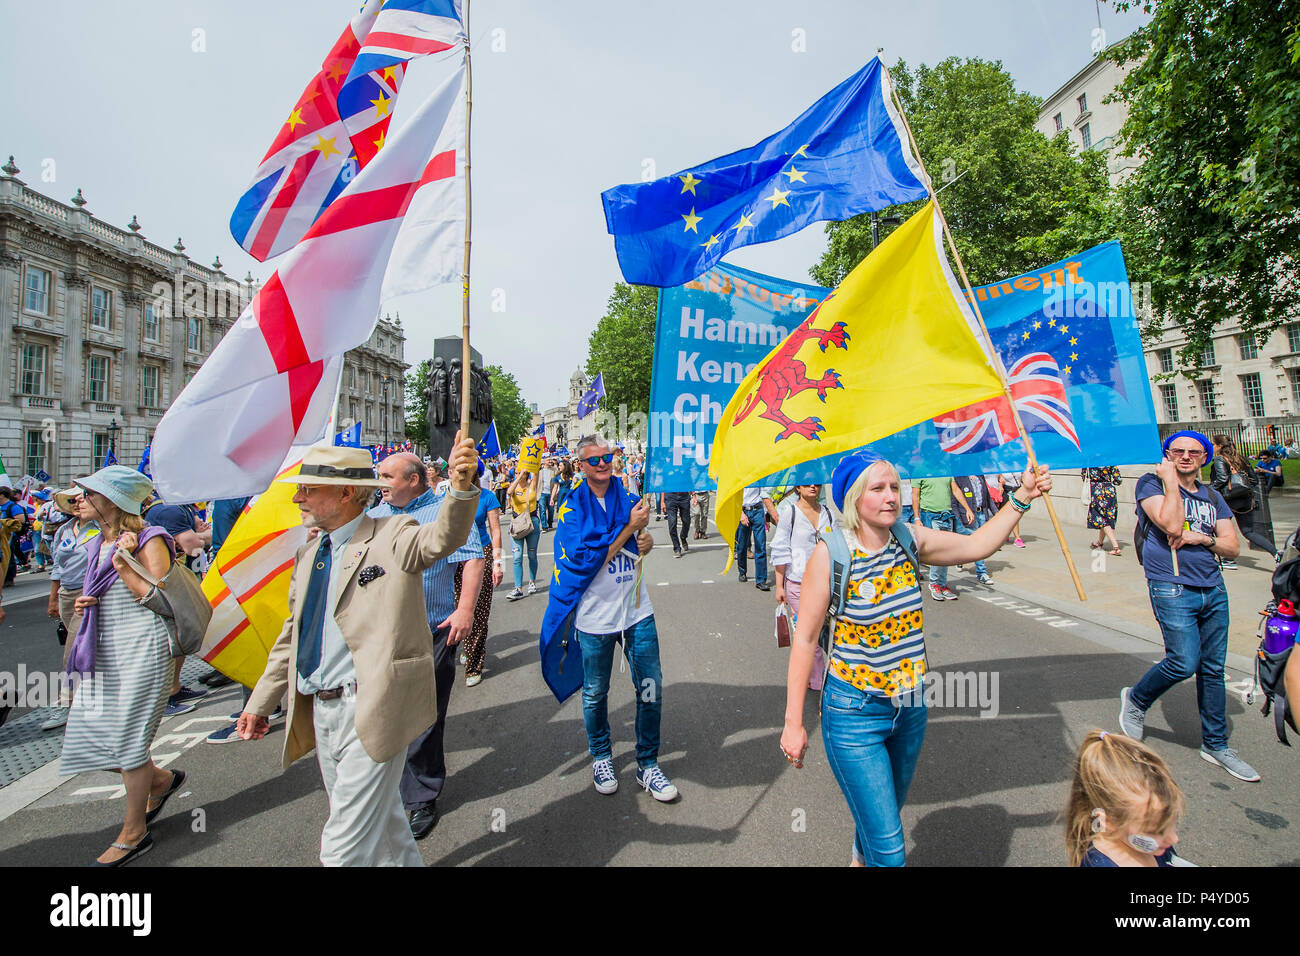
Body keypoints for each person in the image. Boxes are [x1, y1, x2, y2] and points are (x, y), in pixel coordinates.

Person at [780, 451, 1053, 866]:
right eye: (878, 488)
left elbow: (977, 544)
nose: (891, 496)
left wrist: (1022, 496)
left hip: (910, 708)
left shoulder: (911, 539)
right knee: (890, 851)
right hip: (854, 713)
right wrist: (793, 724)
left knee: (879, 818)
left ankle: (858, 860)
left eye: (894, 487)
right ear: (854, 497)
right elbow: (805, 642)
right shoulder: (832, 554)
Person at [237, 437, 480, 866]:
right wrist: (261, 702)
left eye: (309, 489)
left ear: (347, 492)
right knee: (386, 826)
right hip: (323, 711)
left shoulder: (393, 533)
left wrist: (461, 487)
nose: (298, 498)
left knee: (342, 849)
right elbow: (294, 634)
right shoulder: (310, 551)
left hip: (371, 706)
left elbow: (444, 537)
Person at [59, 466, 188, 866]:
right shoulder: (97, 540)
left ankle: (134, 833)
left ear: (111, 501)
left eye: (87, 493)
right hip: (105, 647)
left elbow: (160, 599)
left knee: (130, 741)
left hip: (142, 649)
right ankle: (162, 780)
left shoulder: (150, 539)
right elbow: (101, 592)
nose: (79, 499)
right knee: (92, 735)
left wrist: (123, 562)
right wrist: (87, 601)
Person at [1119, 430, 1260, 782]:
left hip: (1212, 588)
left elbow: (1233, 547)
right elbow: (1168, 522)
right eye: (1176, 451)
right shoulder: (1150, 485)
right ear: (1166, 455)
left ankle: (1216, 744)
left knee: (1212, 669)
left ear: (1204, 458)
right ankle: (1136, 699)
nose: (1184, 456)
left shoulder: (1212, 496)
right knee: (1183, 662)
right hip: (1171, 584)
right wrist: (1169, 483)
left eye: (1193, 452)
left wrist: (1203, 537)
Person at [550, 436, 674, 799]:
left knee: (650, 689)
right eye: (594, 460)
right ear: (582, 465)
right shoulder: (570, 508)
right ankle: (601, 755)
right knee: (595, 693)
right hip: (594, 619)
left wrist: (644, 539)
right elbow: (587, 562)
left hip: (637, 612)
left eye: (607, 457)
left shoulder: (627, 496)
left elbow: (640, 543)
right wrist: (629, 531)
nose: (603, 464)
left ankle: (648, 765)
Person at [369, 451, 484, 841]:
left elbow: (472, 558)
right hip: (382, 634)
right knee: (383, 712)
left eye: (386, 475)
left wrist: (465, 608)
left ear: (414, 479)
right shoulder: (374, 516)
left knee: (425, 716)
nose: (379, 480)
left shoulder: (445, 510)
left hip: (431, 629)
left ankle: (421, 797)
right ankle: (383, 788)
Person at [1066, 730, 1188, 867]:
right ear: (1109, 822)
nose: (1174, 838)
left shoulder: (1154, 845)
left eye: (1173, 821)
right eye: (1156, 831)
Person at [41, 485, 99, 731]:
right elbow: (57, 567)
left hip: (88, 594)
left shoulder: (99, 529)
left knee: (73, 647)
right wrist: (53, 598)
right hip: (67, 593)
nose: (77, 504)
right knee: (85, 647)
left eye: (81, 499)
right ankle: (95, 694)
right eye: (72, 501)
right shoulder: (64, 530)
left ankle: (67, 700)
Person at [771, 484, 835, 690]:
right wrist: (779, 586)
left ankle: (818, 673)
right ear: (798, 487)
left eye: (816, 483)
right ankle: (817, 681)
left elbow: (836, 547)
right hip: (798, 584)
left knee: (825, 631)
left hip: (824, 583)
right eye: (807, 483)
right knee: (809, 633)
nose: (812, 487)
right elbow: (781, 549)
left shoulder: (828, 513)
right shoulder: (789, 513)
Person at [460, 477, 502, 687]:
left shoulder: (487, 497)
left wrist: (497, 562)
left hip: (481, 552)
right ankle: (467, 646)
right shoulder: (446, 496)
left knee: (479, 610)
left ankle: (474, 664)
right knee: (457, 606)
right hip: (454, 556)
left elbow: (495, 530)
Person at [1210, 435, 1275, 565]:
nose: (1212, 446)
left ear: (1220, 446)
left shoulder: (1220, 459)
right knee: (1248, 531)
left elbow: (1222, 479)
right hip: (1244, 499)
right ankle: (1276, 553)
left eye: (1213, 444)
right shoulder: (1241, 458)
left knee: (1219, 529)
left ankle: (1227, 558)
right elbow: (1254, 480)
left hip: (1227, 499)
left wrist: (1209, 490)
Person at [915, 475, 959, 600]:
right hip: (929, 515)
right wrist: (917, 517)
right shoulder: (920, 470)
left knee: (946, 552)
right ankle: (934, 583)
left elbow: (955, 490)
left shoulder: (946, 469)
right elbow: (915, 496)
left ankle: (942, 584)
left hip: (946, 515)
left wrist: (967, 509)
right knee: (936, 551)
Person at [951, 475, 997, 586]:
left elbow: (987, 498)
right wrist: (959, 518)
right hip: (968, 516)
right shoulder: (959, 478)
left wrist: (996, 513)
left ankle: (962, 561)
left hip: (981, 514)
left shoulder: (980, 476)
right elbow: (954, 501)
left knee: (980, 543)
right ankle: (982, 573)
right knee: (976, 544)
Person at [506, 469, 541, 601]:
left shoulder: (532, 484)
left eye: (520, 472)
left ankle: (532, 582)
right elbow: (509, 492)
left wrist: (531, 469)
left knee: (532, 554)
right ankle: (518, 588)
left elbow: (536, 471)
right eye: (515, 472)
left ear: (527, 474)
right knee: (517, 556)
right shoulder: (513, 486)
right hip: (517, 524)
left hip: (532, 523)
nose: (518, 474)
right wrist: (518, 477)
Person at [735, 483, 777, 589]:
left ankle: (761, 580)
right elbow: (733, 496)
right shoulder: (738, 474)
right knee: (742, 545)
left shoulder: (757, 474)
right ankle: (742, 571)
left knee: (760, 545)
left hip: (757, 510)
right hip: (743, 510)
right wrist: (741, 514)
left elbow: (764, 492)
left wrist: (766, 515)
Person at [1084, 465, 1123, 556]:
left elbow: (1084, 475)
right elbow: (1118, 479)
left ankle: (1116, 547)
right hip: (1109, 490)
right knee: (1106, 517)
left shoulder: (1089, 460)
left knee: (1102, 519)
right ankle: (1100, 543)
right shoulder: (1109, 459)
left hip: (1096, 490)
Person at [663, 489, 692, 557]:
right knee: (672, 523)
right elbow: (663, 485)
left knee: (686, 521)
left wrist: (693, 495)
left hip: (684, 496)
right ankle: (677, 548)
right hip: (670, 496)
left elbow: (689, 482)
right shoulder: (668, 477)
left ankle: (683, 537)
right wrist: (662, 502)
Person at [1000, 472, 1025, 547]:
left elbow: (1023, 479)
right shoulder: (1001, 467)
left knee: (1015, 514)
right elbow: (999, 480)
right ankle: (1015, 537)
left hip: (1018, 490)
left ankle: (1013, 537)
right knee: (1008, 515)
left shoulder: (1017, 466)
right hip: (1006, 491)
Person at [538, 458, 555, 532]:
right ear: (544, 462)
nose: (550, 461)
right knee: (542, 510)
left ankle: (550, 523)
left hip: (551, 493)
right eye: (548, 460)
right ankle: (544, 526)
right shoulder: (539, 472)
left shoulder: (554, 470)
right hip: (542, 493)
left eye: (551, 460)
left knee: (551, 510)